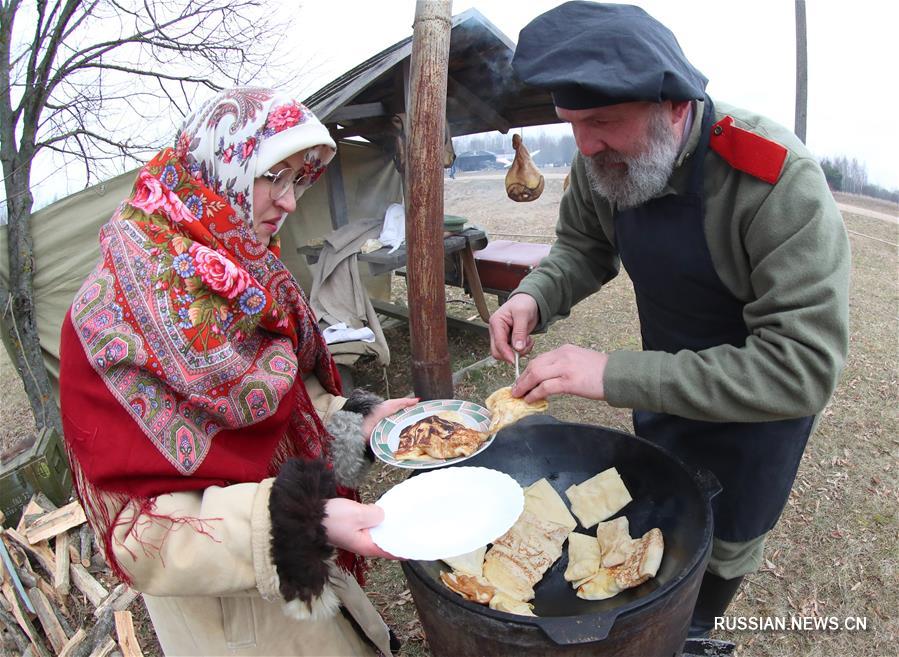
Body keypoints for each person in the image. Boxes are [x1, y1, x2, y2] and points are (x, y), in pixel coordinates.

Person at [489, 2, 850, 638]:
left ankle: (697, 630)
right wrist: (535, 296)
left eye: (602, 121)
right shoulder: (598, 156)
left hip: (756, 417)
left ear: (675, 108)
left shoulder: (773, 179)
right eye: (571, 123)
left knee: (718, 553)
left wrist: (613, 373)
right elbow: (582, 246)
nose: (585, 145)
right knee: (654, 532)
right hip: (663, 392)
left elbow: (800, 368)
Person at [59, 87, 417, 656]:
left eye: (300, 179)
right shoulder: (110, 317)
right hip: (232, 625)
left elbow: (291, 405)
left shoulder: (246, 275)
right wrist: (297, 524)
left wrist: (356, 425)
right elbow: (140, 535)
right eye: (273, 175)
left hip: (308, 594)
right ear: (215, 166)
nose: (291, 201)